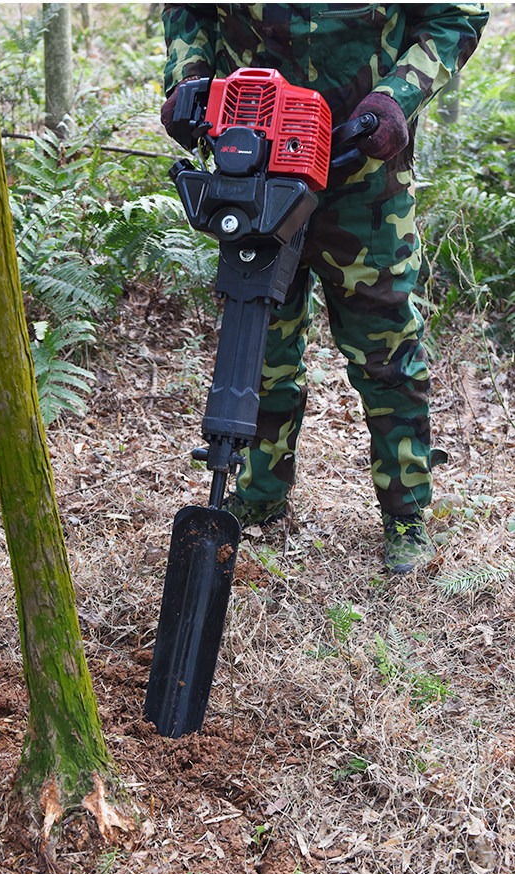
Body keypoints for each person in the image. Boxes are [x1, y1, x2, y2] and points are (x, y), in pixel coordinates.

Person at [160, 4, 489, 574]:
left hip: (363, 177)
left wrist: (397, 97)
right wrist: (189, 82)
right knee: (260, 346)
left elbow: (454, 18)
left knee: (386, 354)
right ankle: (260, 493)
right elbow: (189, 12)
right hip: (256, 164)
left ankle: (406, 514)